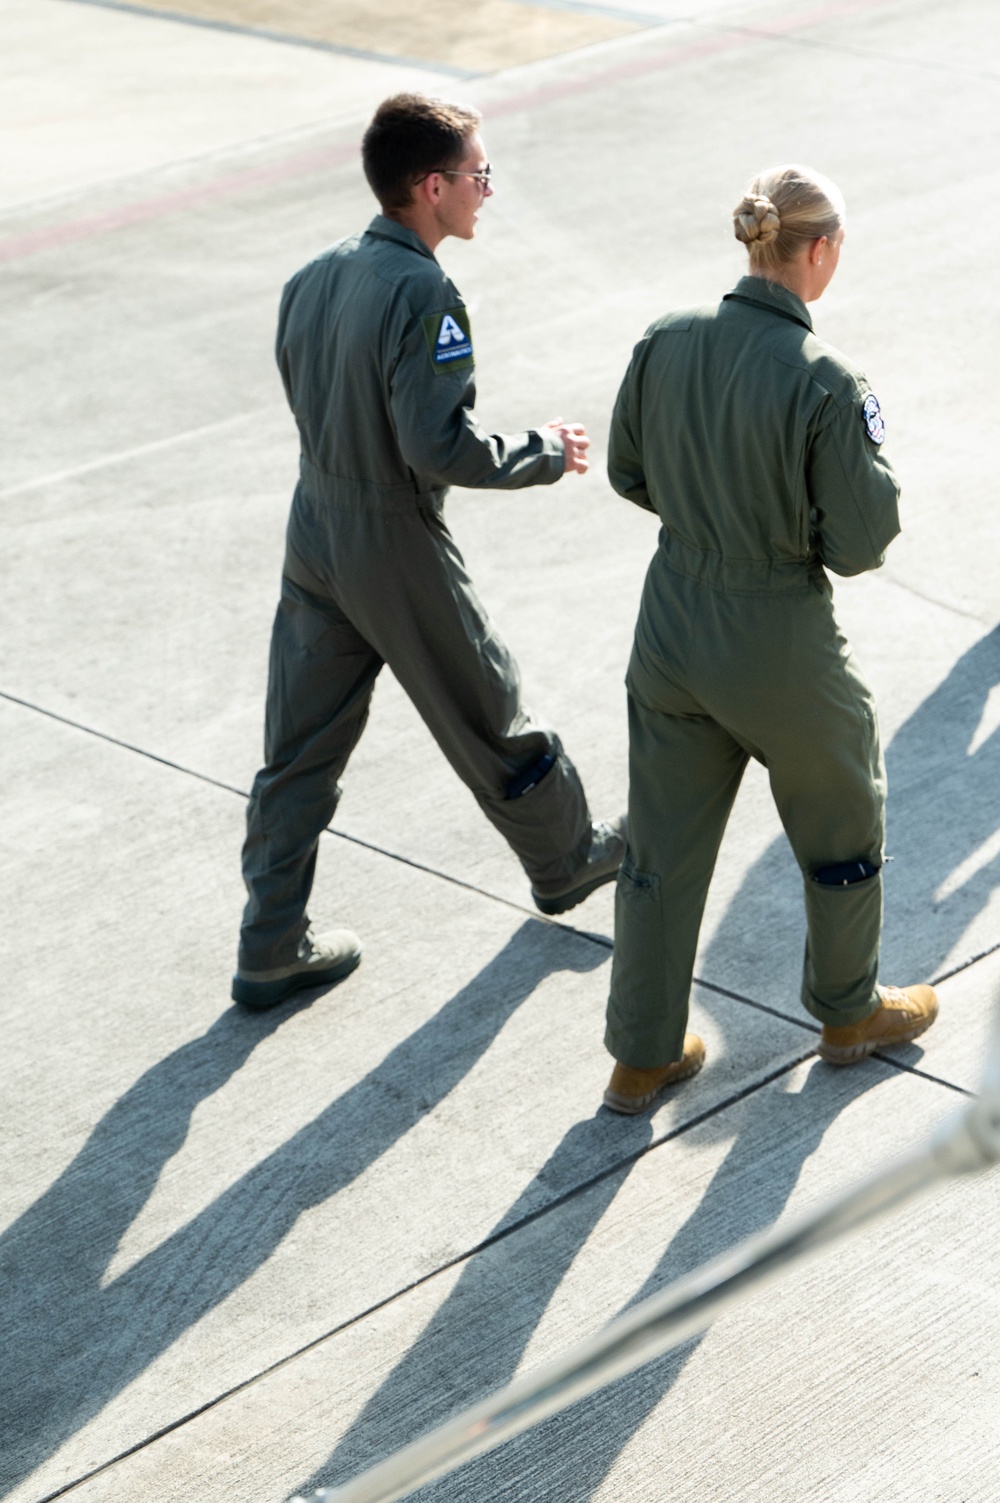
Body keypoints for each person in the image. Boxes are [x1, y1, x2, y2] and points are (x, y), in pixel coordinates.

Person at [232, 93, 625, 1011]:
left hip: (315, 527)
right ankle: (567, 856)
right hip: (388, 537)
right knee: (487, 704)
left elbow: (308, 393)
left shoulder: (314, 274)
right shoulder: (425, 291)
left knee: (297, 753)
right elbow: (436, 445)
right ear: (431, 186)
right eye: (479, 175)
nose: (487, 191)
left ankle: (269, 943)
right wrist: (541, 451)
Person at [601, 164, 939, 1114]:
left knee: (660, 848)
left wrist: (709, 520)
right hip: (777, 630)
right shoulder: (826, 379)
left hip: (671, 619)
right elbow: (865, 543)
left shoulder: (665, 340)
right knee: (843, 820)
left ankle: (640, 1055)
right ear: (819, 250)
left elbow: (629, 472)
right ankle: (846, 1012)